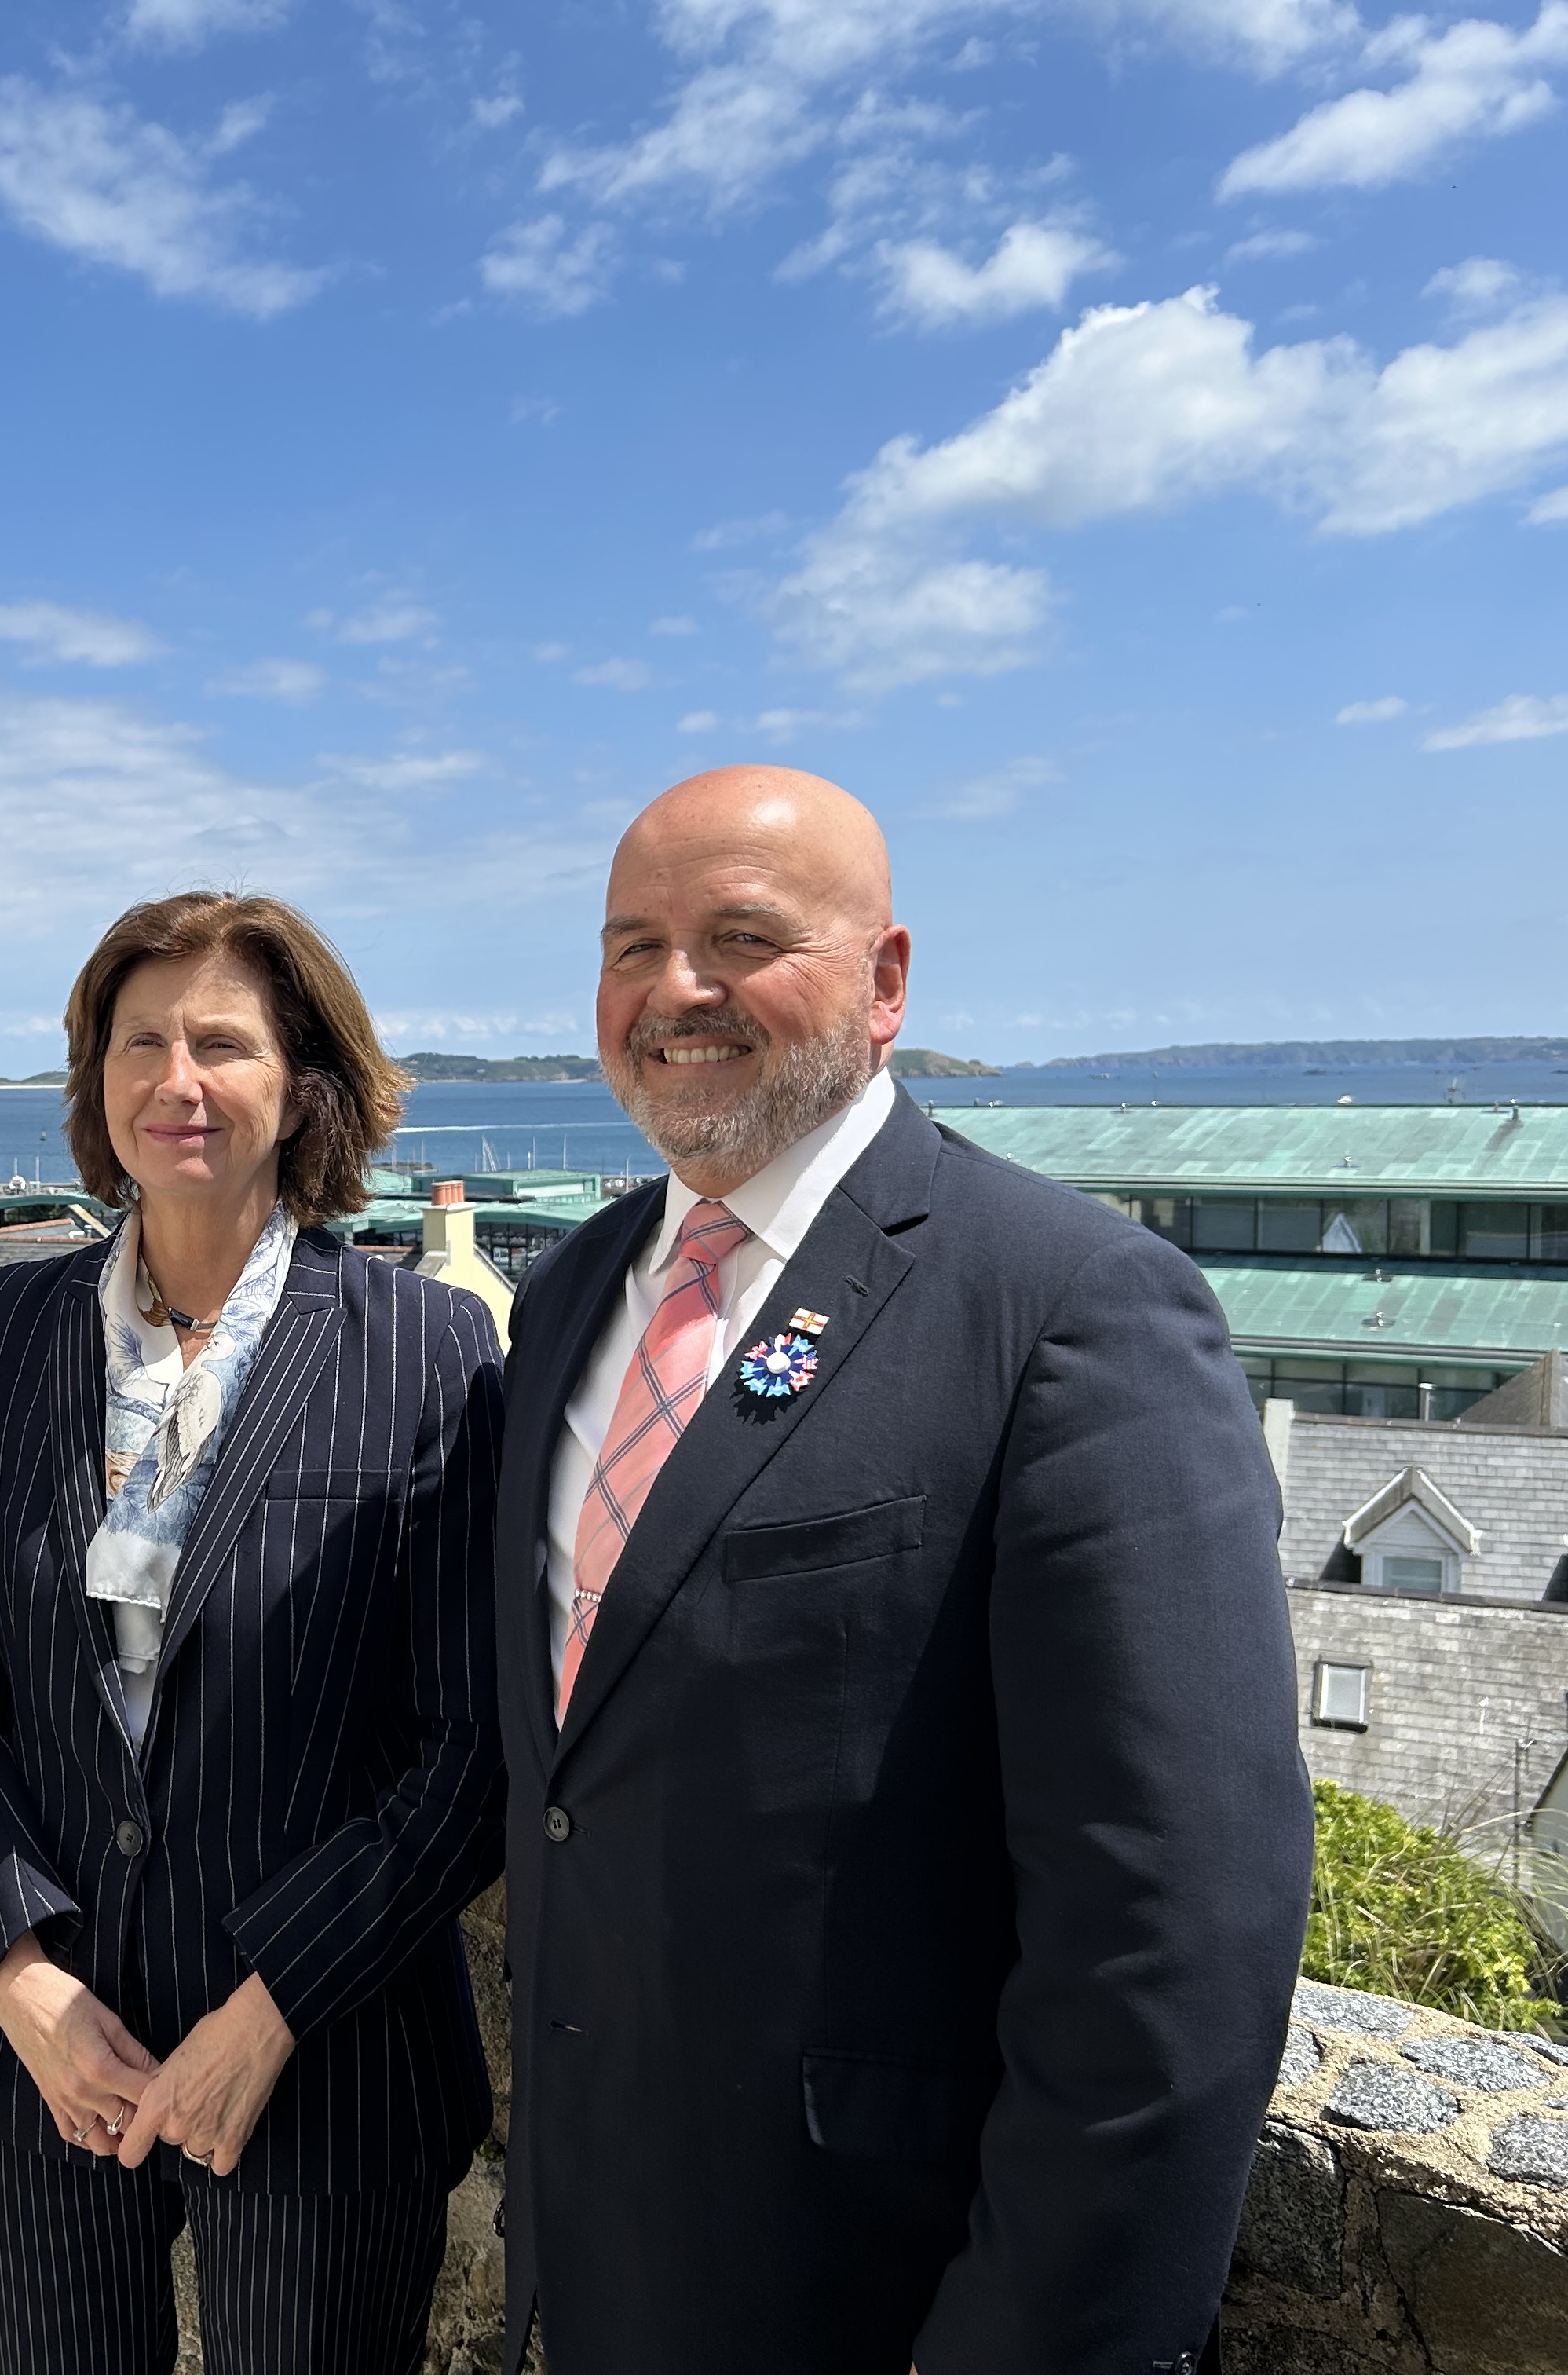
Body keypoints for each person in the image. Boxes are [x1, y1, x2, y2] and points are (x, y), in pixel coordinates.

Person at [495, 768, 1310, 2375]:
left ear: (886, 982)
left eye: (743, 937)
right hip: (597, 2260)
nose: (677, 991)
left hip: (880, 2289)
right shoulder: (573, 1292)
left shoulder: (1073, 1307)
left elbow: (1176, 1931)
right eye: (633, 944)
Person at [0, 891, 506, 2375]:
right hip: (54, 2062)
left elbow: (472, 1738)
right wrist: (16, 1970)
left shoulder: (425, 1349)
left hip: (326, 2055)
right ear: (95, 1080)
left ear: (301, 1084)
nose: (178, 1079)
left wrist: (275, 2003)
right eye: (140, 1041)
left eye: (223, 1043)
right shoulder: (3, 1333)